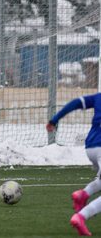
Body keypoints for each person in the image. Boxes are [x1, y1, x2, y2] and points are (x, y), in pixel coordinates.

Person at [46, 93, 101, 236]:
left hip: (91, 147)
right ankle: (81, 216)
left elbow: (76, 102)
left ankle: (83, 194)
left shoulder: (99, 97)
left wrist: (54, 120)